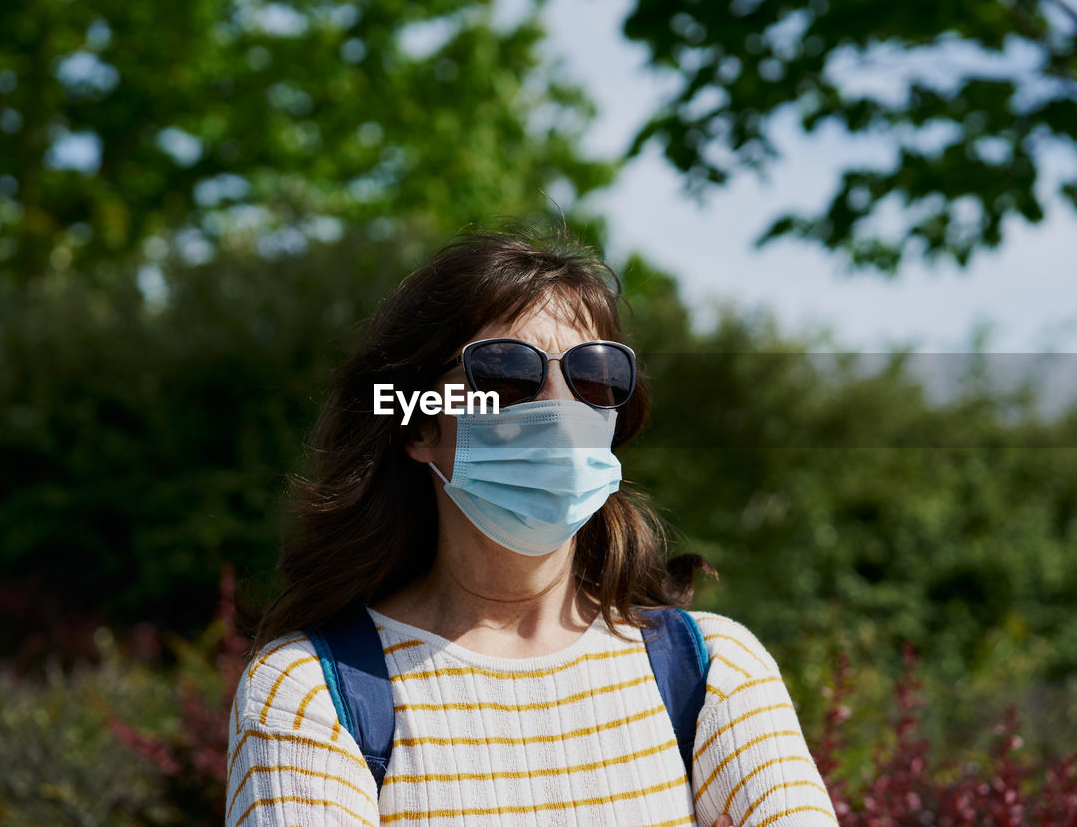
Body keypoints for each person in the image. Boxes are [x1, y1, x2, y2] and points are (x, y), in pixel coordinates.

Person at [225, 224, 838, 826]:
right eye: (507, 374)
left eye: (594, 374)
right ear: (417, 423)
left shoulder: (718, 672)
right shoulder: (305, 693)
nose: (559, 404)